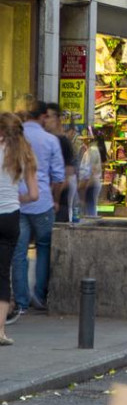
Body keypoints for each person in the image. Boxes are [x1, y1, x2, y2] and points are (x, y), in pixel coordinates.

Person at [9, 102, 64, 319]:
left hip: (18, 201)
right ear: (42, 117)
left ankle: (21, 301)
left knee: (19, 252)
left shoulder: (16, 140)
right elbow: (58, 176)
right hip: (42, 201)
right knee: (44, 248)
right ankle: (40, 296)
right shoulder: (51, 140)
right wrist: (56, 199)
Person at [0, 113, 39, 334]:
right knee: (3, 274)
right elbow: (34, 194)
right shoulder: (25, 155)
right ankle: (1, 331)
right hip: (11, 217)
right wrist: (16, 198)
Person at [77, 128, 107, 218]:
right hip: (93, 181)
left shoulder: (92, 150)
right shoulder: (94, 150)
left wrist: (84, 184)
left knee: (89, 209)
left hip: (90, 182)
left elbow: (89, 168)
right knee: (91, 207)